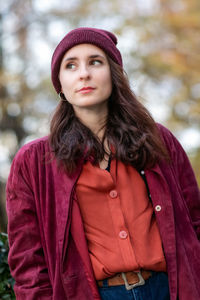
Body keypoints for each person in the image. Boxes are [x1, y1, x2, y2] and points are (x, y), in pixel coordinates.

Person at [6, 27, 200, 300]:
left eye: (95, 62)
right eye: (71, 65)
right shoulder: (34, 162)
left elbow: (194, 221)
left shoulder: (158, 140)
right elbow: (28, 261)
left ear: (113, 73)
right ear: (60, 83)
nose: (84, 73)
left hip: (169, 288)